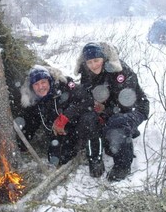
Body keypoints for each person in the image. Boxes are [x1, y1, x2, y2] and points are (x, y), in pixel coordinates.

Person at [74, 42, 150, 181]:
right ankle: (95, 158)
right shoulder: (86, 72)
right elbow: (85, 95)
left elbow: (127, 102)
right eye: (89, 62)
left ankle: (122, 165)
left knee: (117, 122)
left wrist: (106, 110)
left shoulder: (120, 71)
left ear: (104, 59)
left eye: (96, 60)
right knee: (88, 118)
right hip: (107, 107)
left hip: (134, 107)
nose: (93, 65)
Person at [16, 65, 104, 177]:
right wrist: (20, 145)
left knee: (89, 119)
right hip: (63, 133)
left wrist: (64, 118)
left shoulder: (65, 85)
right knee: (58, 159)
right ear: (32, 87)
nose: (41, 87)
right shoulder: (34, 102)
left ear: (49, 81)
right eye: (36, 84)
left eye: (43, 82)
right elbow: (30, 124)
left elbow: (86, 100)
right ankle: (79, 146)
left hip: (80, 125)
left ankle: (96, 158)